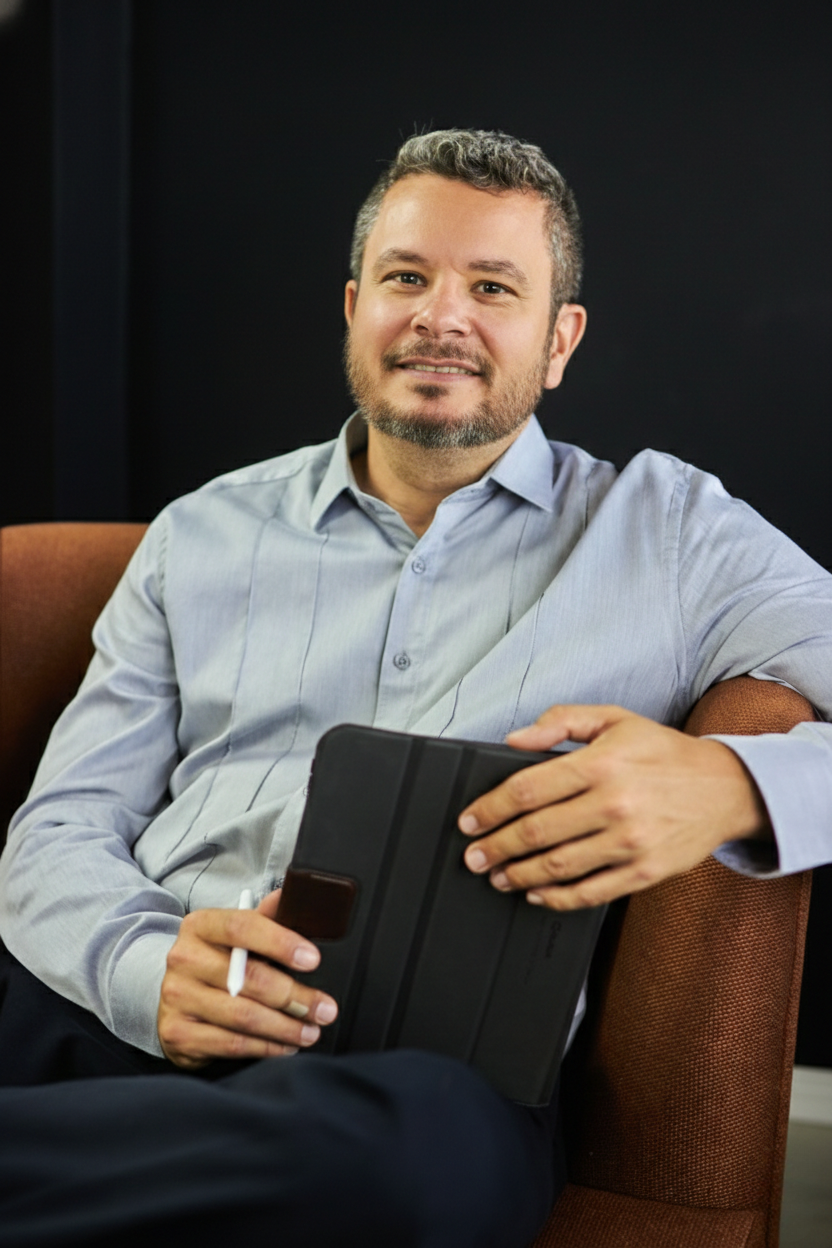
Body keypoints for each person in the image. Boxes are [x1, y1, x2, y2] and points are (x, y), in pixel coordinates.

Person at [1, 129, 831, 1246]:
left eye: (494, 287)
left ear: (559, 339)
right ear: (354, 306)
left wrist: (732, 784)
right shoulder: (202, 533)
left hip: (406, 1080)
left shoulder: (672, 536)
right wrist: (140, 970)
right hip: (119, 1011)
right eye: (406, 278)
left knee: (426, 1161)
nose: (443, 316)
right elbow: (63, 825)